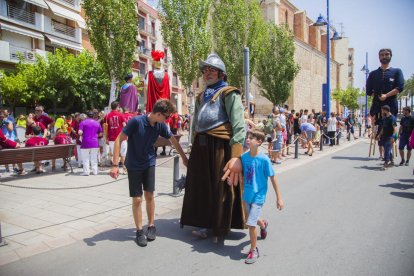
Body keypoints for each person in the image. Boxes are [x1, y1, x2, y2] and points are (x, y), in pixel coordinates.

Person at [180, 53, 246, 242]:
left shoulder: (229, 93)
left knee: (221, 187)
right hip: (201, 146)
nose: (207, 73)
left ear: (221, 73)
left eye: (212, 70)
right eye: (205, 70)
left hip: (220, 146)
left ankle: (220, 226)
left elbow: (239, 125)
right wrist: (192, 145)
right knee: (200, 185)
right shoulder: (201, 96)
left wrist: (235, 156)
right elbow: (196, 123)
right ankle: (203, 223)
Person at [109, 99, 188, 247]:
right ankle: (139, 231)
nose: (167, 120)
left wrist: (184, 158)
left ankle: (151, 225)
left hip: (149, 163)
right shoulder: (136, 122)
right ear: (158, 114)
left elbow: (173, 141)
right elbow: (119, 139)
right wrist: (115, 164)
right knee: (137, 199)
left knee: (149, 195)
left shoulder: (160, 125)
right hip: (133, 164)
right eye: (166, 117)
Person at [238, 128, 284, 264]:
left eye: (251, 138)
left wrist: (279, 198)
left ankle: (254, 250)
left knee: (251, 224)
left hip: (259, 196)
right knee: (253, 219)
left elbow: (273, 178)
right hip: (247, 195)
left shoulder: (264, 160)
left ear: (258, 142)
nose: (247, 139)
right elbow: (240, 175)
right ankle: (263, 224)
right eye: (247, 137)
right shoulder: (244, 157)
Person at [104, 101, 126, 172]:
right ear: (117, 107)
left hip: (112, 138)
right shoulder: (121, 115)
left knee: (114, 155)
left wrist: (106, 138)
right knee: (123, 153)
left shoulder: (107, 116)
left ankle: (115, 170)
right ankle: (124, 169)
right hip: (122, 137)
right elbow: (125, 126)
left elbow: (105, 128)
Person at [78, 111, 103, 176]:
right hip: (95, 142)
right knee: (94, 157)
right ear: (93, 116)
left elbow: (80, 132)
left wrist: (81, 133)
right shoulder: (97, 123)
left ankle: (86, 172)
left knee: (85, 157)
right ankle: (95, 171)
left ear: (87, 116)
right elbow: (100, 133)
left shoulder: (83, 122)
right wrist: (95, 136)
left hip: (85, 142)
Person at [377, 105, 397, 170]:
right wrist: (379, 135)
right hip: (384, 136)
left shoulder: (392, 118)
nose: (381, 111)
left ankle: (386, 164)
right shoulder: (385, 118)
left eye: (382, 110)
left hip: (390, 136)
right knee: (386, 149)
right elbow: (383, 128)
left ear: (385, 110)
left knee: (387, 150)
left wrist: (393, 137)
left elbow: (395, 128)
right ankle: (392, 161)